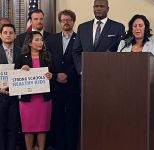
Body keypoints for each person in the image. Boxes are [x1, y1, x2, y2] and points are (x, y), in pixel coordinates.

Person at [46, 9, 80, 150]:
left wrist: (67, 74)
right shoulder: (50, 39)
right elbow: (46, 59)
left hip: (72, 85)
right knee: (57, 119)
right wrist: (55, 74)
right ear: (60, 22)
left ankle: (71, 146)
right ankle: (59, 146)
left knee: (72, 119)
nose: (66, 22)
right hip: (55, 86)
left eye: (69, 19)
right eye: (63, 19)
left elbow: (79, 59)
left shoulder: (80, 38)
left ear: (73, 21)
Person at [15, 31, 53, 150]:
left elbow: (53, 72)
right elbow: (15, 76)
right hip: (27, 99)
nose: (40, 42)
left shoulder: (46, 56)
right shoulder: (21, 57)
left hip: (43, 98)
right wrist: (21, 70)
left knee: (42, 127)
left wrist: (51, 75)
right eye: (37, 40)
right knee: (28, 127)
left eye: (41, 40)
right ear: (30, 43)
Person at [72, 0, 125, 75]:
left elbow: (121, 52)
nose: (98, 9)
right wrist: (81, 69)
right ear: (93, 8)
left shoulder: (118, 27)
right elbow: (76, 51)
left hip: (109, 73)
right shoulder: (82, 27)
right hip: (87, 74)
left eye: (102, 6)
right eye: (96, 6)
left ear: (108, 8)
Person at [0, 24, 20, 150]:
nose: (8, 35)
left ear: (15, 35)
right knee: (1, 128)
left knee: (13, 127)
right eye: (5, 32)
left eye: (11, 32)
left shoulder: (22, 51)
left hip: (15, 96)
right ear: (0, 35)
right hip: (0, 95)